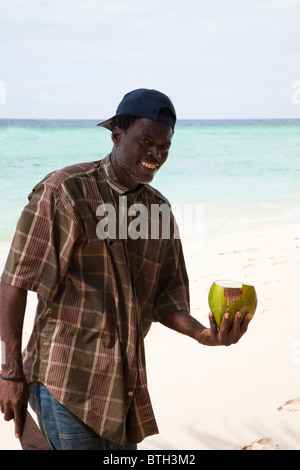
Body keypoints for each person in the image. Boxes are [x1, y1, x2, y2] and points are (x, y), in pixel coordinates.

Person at [0, 89, 252, 450]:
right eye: (145, 142)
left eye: (164, 146)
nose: (156, 154)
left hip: (123, 390)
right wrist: (9, 372)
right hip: (65, 383)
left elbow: (166, 299)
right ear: (117, 135)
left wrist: (203, 335)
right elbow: (13, 281)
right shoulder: (66, 191)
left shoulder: (157, 209)